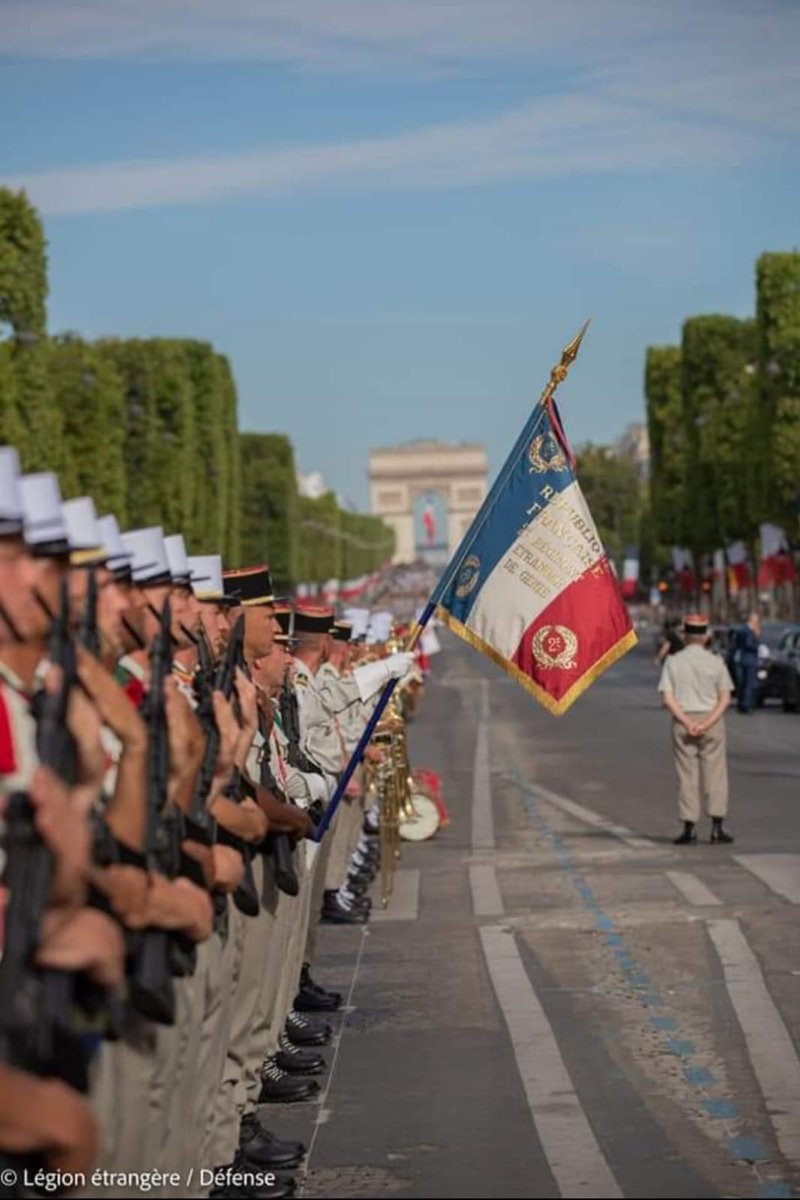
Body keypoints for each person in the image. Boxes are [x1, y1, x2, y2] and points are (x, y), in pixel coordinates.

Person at [658, 613, 735, 845]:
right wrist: (706, 723)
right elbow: (725, 698)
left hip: (683, 722)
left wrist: (687, 721)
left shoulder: (673, 662)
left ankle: (689, 828)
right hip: (711, 722)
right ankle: (717, 827)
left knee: (686, 774)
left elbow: (667, 698)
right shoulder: (716, 662)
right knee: (716, 773)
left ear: (685, 634)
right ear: (706, 636)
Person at [733, 612, 761, 713]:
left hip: (742, 659)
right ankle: (746, 705)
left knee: (743, 683)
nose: (758, 623)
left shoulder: (742, 630)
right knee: (749, 683)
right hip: (749, 660)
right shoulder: (749, 632)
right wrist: (757, 638)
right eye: (757, 621)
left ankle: (741, 704)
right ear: (752, 620)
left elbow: (737, 644)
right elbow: (750, 645)